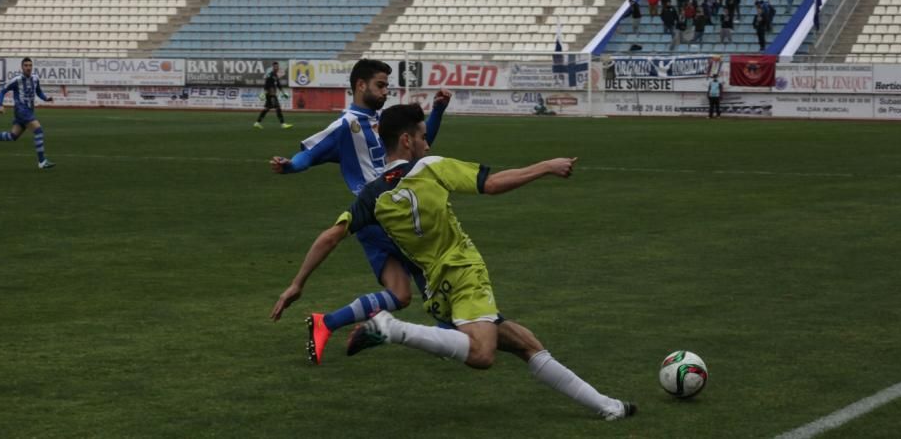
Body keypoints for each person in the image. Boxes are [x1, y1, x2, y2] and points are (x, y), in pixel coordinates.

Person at [270, 104, 636, 422]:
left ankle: (609, 406)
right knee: (482, 354)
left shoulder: (372, 195)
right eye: (423, 136)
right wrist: (545, 166)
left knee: (525, 343)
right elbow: (491, 184)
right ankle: (391, 328)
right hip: (463, 272)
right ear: (408, 141)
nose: (428, 143)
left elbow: (330, 236)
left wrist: (297, 283)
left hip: (435, 289)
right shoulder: (429, 167)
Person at [269, 59, 451, 363]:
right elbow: (309, 154)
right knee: (428, 269)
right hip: (382, 214)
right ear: (360, 85)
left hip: (381, 217)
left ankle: (326, 323)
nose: (385, 91)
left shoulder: (385, 123)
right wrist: (290, 166)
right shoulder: (345, 126)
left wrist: (439, 110)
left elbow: (422, 142)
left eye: (386, 86)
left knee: (400, 295)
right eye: (380, 85)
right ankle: (449, 335)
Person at [0, 57, 56, 169]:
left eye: (30, 65)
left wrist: (46, 98)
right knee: (38, 131)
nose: (28, 67)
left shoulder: (35, 78)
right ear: (22, 67)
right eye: (26, 65)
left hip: (29, 110)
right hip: (21, 110)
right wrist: (0, 105)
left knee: (13, 136)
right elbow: (3, 90)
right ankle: (42, 161)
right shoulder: (16, 80)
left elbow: (38, 91)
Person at [254, 62, 292, 130]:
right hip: (271, 95)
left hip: (272, 95)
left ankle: (257, 123)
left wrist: (283, 93)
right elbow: (267, 84)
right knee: (278, 108)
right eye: (275, 67)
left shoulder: (275, 75)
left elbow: (278, 85)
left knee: (266, 109)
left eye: (277, 67)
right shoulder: (270, 75)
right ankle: (283, 124)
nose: (276, 68)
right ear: (273, 67)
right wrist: (265, 92)